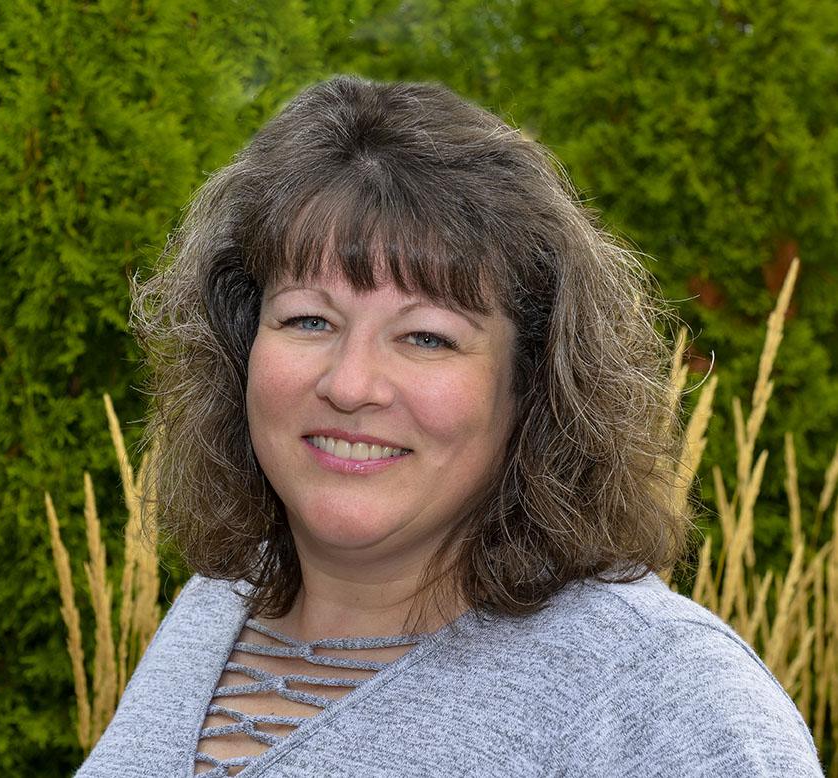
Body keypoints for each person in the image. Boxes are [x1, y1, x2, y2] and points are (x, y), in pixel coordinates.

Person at [76, 75, 823, 777]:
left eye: (427, 336)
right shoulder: (212, 610)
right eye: (308, 319)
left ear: (531, 383)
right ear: (240, 349)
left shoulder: (660, 693)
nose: (349, 384)